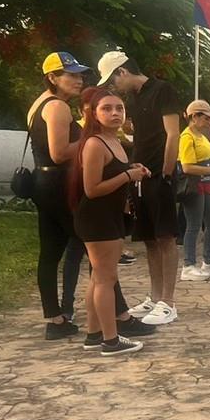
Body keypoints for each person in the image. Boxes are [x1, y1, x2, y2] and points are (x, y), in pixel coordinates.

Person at [25, 52, 151, 341]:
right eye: (70, 75)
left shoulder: (38, 104)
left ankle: (56, 318)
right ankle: (119, 318)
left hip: (43, 182)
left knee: (52, 252)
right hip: (59, 183)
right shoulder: (57, 107)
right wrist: (93, 137)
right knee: (101, 253)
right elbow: (59, 153)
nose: (78, 79)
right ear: (52, 78)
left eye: (80, 74)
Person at [96, 51, 183, 326]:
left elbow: (172, 134)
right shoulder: (132, 100)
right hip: (139, 176)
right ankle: (156, 296)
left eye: (113, 80)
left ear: (122, 71)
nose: (113, 87)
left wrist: (167, 174)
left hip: (160, 175)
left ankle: (168, 302)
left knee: (166, 237)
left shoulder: (162, 90)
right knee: (149, 238)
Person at [71, 87, 150, 356]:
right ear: (93, 113)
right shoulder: (94, 143)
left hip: (111, 216)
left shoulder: (114, 141)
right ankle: (111, 339)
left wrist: (133, 170)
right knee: (105, 278)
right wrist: (128, 177)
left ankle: (94, 334)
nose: (114, 113)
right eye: (107, 108)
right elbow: (92, 189)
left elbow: (115, 174)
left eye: (119, 108)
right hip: (97, 218)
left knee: (98, 277)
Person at [176, 100, 210, 281]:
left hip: (207, 184)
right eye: (206, 118)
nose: (209, 122)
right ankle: (188, 265)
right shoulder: (187, 137)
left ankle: (209, 262)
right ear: (194, 117)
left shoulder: (202, 137)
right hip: (194, 186)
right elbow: (187, 167)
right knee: (193, 225)